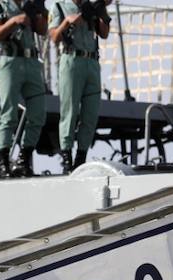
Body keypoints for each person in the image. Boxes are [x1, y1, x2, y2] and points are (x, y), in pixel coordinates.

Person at [0, 0, 45, 177]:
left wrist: (40, 13)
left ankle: (24, 158)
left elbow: (42, 30)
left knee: (38, 113)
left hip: (32, 61)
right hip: (10, 60)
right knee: (8, 113)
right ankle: (3, 161)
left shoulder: (30, 4)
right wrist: (13, 21)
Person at [48, 0, 107, 173]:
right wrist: (67, 22)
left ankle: (81, 157)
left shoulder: (92, 5)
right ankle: (67, 157)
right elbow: (54, 37)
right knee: (70, 111)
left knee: (90, 113)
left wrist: (101, 13)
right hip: (71, 59)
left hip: (92, 61)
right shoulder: (59, 6)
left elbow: (104, 33)